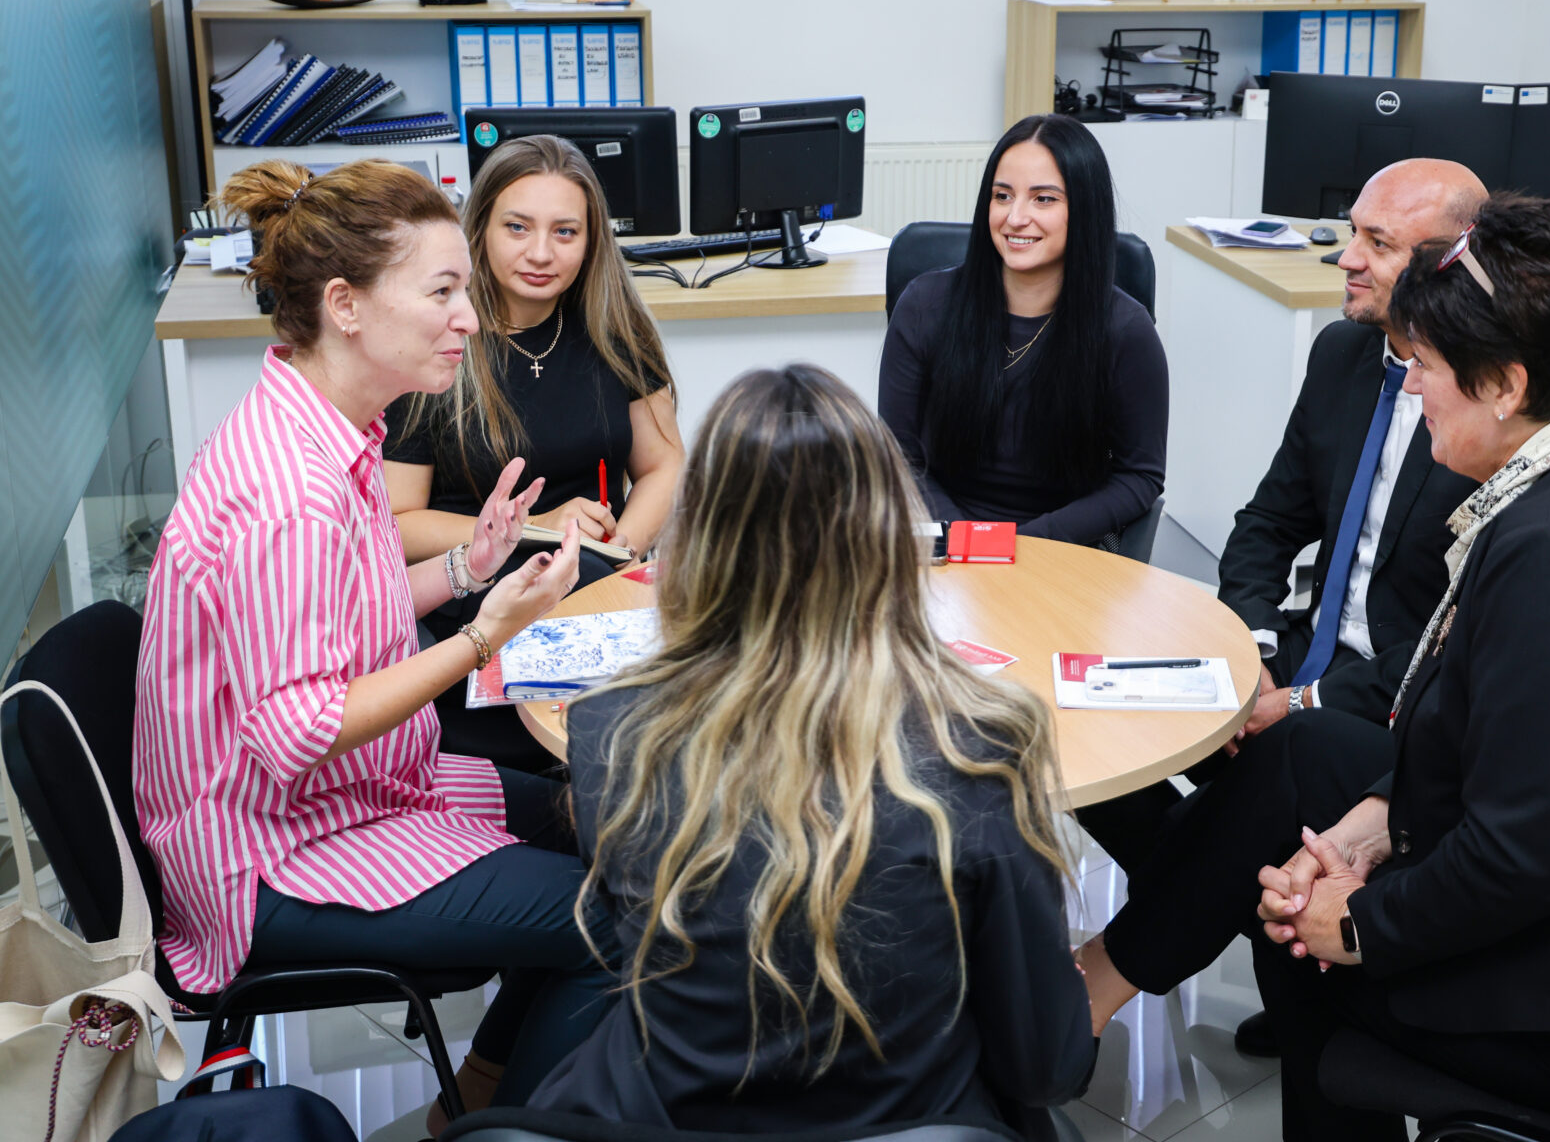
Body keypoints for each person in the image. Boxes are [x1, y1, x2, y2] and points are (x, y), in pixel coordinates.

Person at [1075, 194, 1550, 1138]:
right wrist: (1363, 835)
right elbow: (1493, 742)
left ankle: (1095, 992)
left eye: (1428, 369)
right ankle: (1114, 974)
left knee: (1298, 941)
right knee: (1300, 775)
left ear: (1506, 384)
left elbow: (1517, 861)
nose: (1412, 390)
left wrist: (1354, 923)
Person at [133, 159, 618, 1131]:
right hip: (274, 855)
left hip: (346, 798)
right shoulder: (290, 489)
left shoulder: (329, 429)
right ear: (346, 305)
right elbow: (297, 730)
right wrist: (487, 631)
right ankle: (505, 1123)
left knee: (607, 818)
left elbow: (332, 618)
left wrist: (469, 569)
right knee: (623, 918)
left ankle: (476, 1096)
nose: (469, 319)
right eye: (442, 291)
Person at [534, 365, 1096, 1139]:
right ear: (885, 539)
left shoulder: (610, 729)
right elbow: (1046, 1065)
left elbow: (640, 957)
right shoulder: (983, 747)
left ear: (700, 539)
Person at [1076, 160, 1483, 919]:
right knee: (1097, 708)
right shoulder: (1342, 355)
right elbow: (1268, 523)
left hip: (1395, 692)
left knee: (1277, 768)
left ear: (1456, 260)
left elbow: (1455, 642)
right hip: (1300, 653)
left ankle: (1171, 921)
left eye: (1378, 244)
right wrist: (1256, 655)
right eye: (1350, 233)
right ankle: (1225, 896)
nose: (1346, 258)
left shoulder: (1481, 407)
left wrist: (1297, 702)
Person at [385, 134, 683, 766]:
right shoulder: (439, 341)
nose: (541, 254)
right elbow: (398, 521)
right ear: (479, 228)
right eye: (517, 227)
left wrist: (623, 551)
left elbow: (663, 465)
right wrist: (530, 530)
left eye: (566, 232)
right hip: (476, 600)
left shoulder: (615, 329)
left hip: (599, 586)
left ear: (592, 239)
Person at [878, 113, 1168, 548]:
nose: (1016, 217)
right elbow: (900, 456)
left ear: (1083, 209)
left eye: (1043, 199)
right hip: (942, 536)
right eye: (1002, 195)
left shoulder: (1125, 330)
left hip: (1064, 547)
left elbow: (1140, 476)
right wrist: (966, 540)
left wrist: (1026, 545)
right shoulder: (925, 306)